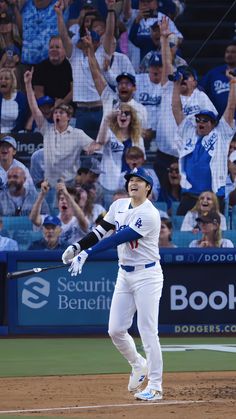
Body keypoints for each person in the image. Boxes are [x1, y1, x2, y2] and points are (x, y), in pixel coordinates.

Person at [62, 167, 164, 402]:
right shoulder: (119, 205)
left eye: (139, 180)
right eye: (131, 180)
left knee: (148, 331)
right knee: (116, 329)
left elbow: (120, 237)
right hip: (125, 274)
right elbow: (101, 231)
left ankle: (156, 386)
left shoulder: (149, 213)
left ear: (148, 187)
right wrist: (78, 247)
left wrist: (88, 254)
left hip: (147, 275)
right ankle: (138, 364)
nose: (133, 183)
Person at [171, 69, 236, 215]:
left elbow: (231, 107)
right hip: (190, 194)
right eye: (198, 119)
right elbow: (176, 108)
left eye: (205, 120)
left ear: (213, 123)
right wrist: (176, 85)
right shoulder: (188, 131)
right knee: (181, 231)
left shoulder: (221, 134)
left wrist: (233, 82)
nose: (200, 122)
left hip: (213, 195)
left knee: (214, 231)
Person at [24, 68, 95, 187]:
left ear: (69, 117)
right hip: (51, 182)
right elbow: (35, 109)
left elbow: (94, 146)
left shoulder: (77, 133)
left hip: (70, 181)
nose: (57, 114)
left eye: (61, 113)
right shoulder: (47, 129)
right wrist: (27, 84)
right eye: (55, 112)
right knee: (36, 156)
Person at [88, 103, 146, 209]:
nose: (123, 115)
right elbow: (100, 141)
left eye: (126, 113)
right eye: (120, 113)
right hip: (109, 183)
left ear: (131, 117)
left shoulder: (138, 138)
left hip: (129, 185)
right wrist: (106, 120)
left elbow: (141, 160)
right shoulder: (109, 133)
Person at [29, 180, 89, 244]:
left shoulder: (78, 221)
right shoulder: (51, 220)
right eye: (61, 199)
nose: (64, 201)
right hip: (57, 253)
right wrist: (42, 195)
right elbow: (33, 218)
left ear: (75, 203)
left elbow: (82, 219)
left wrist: (67, 194)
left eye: (67, 199)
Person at [32, 35, 73, 108]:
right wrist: (47, 106)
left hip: (67, 107)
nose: (53, 50)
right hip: (46, 107)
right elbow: (38, 92)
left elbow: (74, 90)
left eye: (57, 47)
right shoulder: (40, 67)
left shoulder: (71, 66)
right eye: (51, 47)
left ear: (64, 50)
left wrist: (62, 103)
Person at [199, 41, 236, 117]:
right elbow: (200, 88)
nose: (229, 55)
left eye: (233, 52)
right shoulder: (214, 73)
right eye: (227, 52)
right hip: (218, 120)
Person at [0, 67, 29, 132]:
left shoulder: (21, 97)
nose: (3, 81)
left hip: (17, 134)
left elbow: (25, 117)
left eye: (6, 78)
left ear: (12, 81)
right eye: (0, 78)